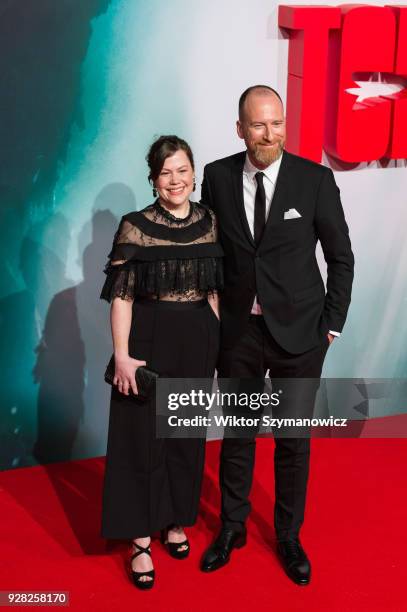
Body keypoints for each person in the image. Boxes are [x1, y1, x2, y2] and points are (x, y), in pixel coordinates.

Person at [200, 85, 354, 584]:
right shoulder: (217, 177)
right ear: (240, 128)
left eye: (277, 123)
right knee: (238, 435)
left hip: (301, 335)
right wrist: (213, 312)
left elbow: (340, 258)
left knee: (292, 441)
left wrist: (330, 325)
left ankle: (288, 536)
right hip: (240, 332)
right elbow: (209, 253)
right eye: (259, 125)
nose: (270, 134)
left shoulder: (314, 180)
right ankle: (232, 527)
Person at [100, 135, 223, 589]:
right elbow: (121, 296)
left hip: (197, 339)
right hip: (147, 340)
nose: (176, 180)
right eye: (166, 172)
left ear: (194, 173)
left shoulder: (209, 220)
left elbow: (212, 288)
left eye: (183, 170)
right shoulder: (135, 225)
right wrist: (122, 356)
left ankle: (174, 520)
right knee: (140, 439)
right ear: (153, 179)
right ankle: (139, 541)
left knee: (185, 437)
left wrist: (215, 340)